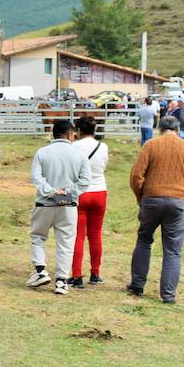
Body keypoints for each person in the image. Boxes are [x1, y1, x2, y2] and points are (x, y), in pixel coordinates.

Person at [126, 115, 184, 304]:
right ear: (177, 129)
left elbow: (136, 176)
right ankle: (168, 295)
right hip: (177, 202)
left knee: (144, 240)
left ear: (160, 129)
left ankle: (137, 284)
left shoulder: (150, 145)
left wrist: (141, 197)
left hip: (151, 199)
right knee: (173, 250)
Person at [27, 119, 90, 296]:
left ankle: (40, 270)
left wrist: (52, 192)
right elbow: (85, 181)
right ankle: (61, 281)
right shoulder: (79, 154)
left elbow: (37, 178)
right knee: (66, 243)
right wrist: (68, 193)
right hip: (68, 206)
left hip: (45, 203)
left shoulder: (42, 152)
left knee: (38, 237)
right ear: (70, 134)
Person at [69, 116, 109, 289]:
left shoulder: (74, 147)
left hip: (81, 192)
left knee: (77, 235)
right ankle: (95, 272)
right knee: (95, 234)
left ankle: (76, 275)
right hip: (100, 191)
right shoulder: (103, 146)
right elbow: (103, 166)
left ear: (78, 131)